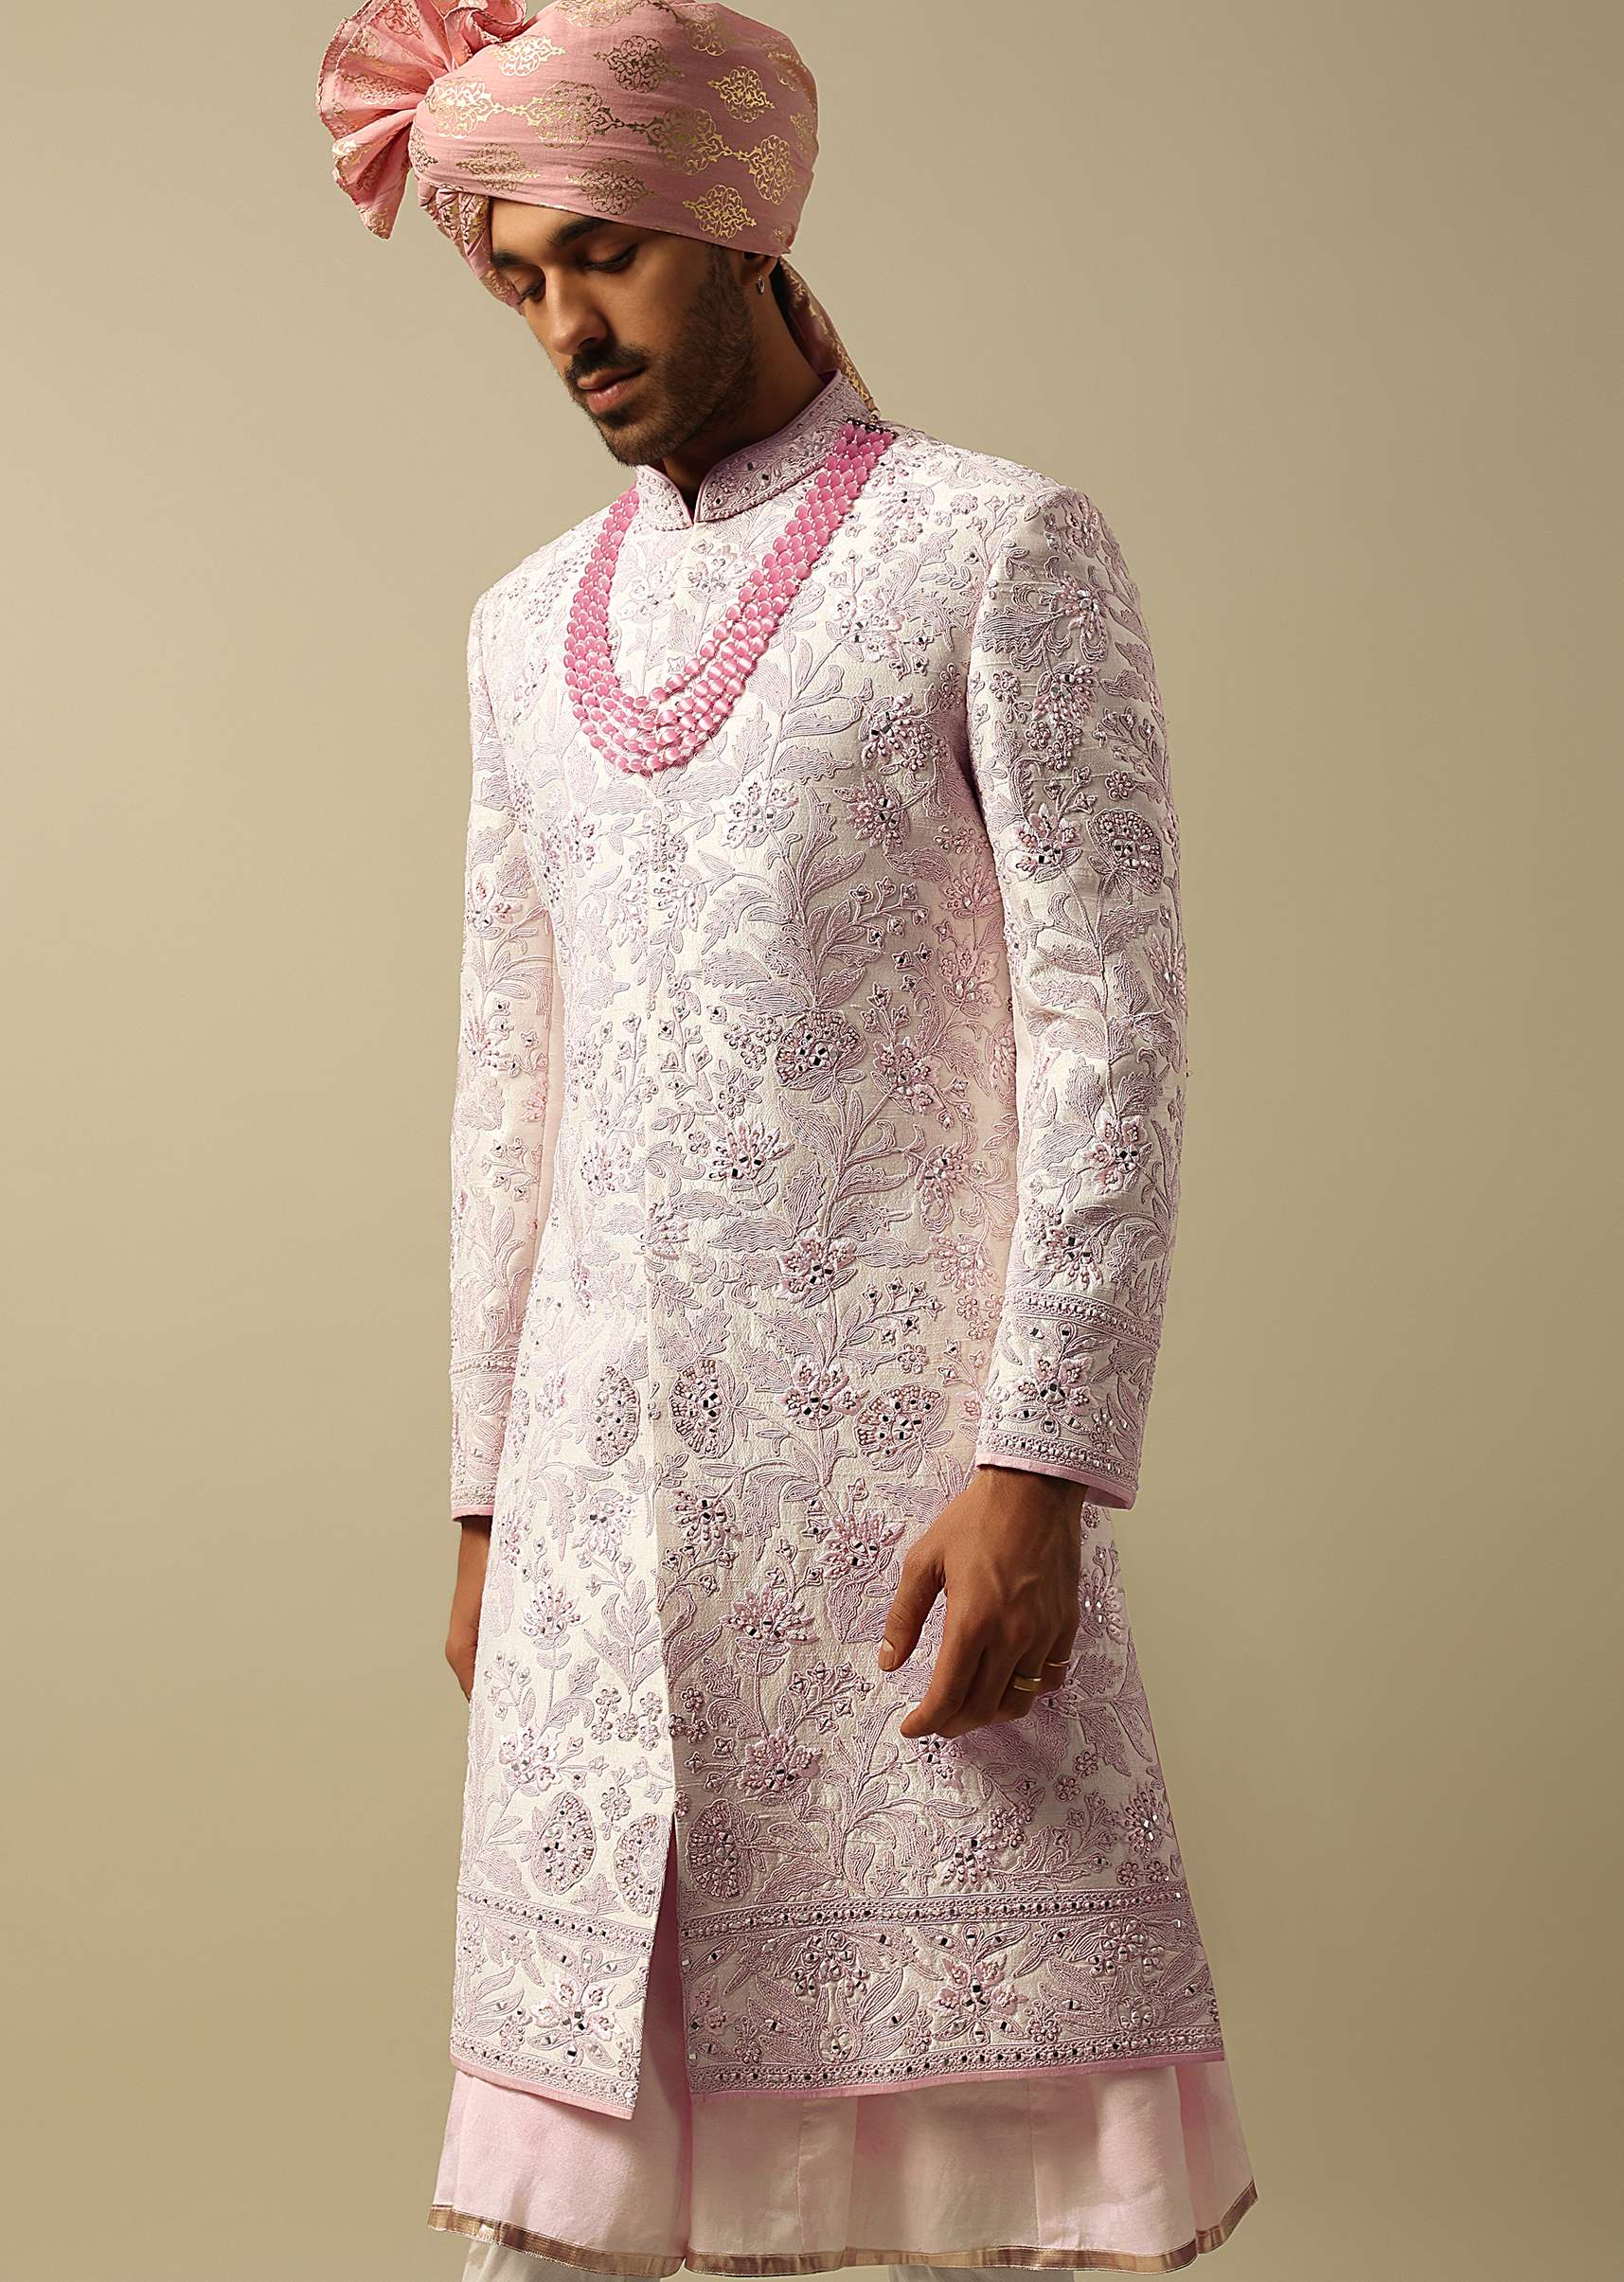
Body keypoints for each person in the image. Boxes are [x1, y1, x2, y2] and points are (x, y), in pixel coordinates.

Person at [316, 3, 1259, 2273]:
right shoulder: (521, 629)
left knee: (966, 2163)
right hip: (591, 1510)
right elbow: (506, 1081)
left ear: (741, 226)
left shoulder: (993, 549)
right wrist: (484, 1495)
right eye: (518, 280)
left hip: (900, 1507)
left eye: (607, 257)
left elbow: (1111, 1036)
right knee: (576, 2166)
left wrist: (1041, 1466)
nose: (567, 327)